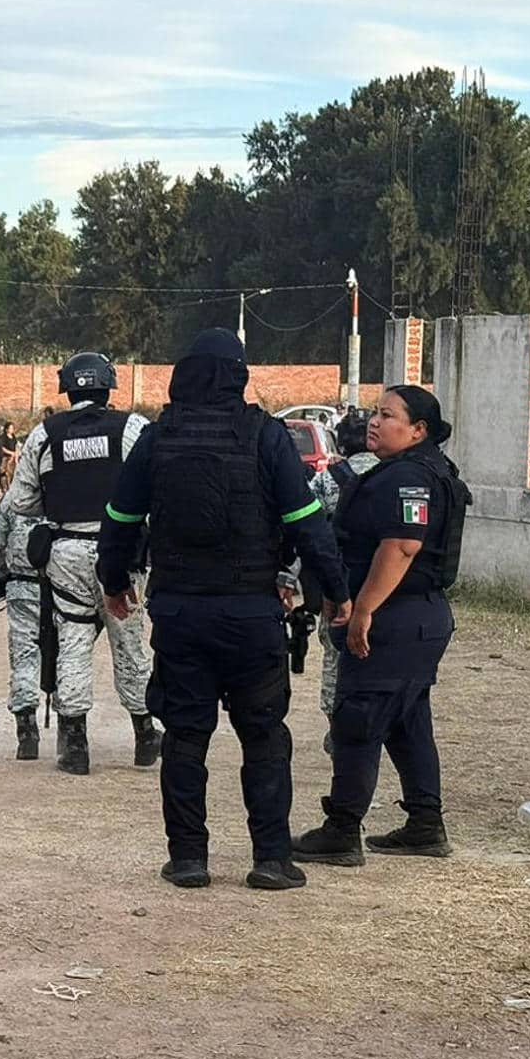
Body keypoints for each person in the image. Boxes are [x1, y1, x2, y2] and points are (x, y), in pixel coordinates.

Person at [97, 328, 351, 892]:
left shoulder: (159, 438)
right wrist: (335, 588)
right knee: (263, 734)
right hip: (251, 613)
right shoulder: (266, 436)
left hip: (181, 614)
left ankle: (188, 858)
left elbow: (118, 519)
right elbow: (306, 522)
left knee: (186, 736)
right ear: (239, 375)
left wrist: (114, 582)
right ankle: (271, 859)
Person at [292, 385, 467, 869]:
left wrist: (363, 609)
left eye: (387, 415)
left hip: (396, 616)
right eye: (374, 413)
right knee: (408, 723)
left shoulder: (408, 477)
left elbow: (402, 547)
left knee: (358, 720)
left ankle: (342, 830)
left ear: (418, 430)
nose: (374, 421)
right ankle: (425, 824)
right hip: (417, 617)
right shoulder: (417, 470)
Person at [0, 352, 159, 774]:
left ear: (67, 388)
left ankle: (74, 743)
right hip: (121, 551)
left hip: (66, 551)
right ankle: (145, 735)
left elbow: (22, 501)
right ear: (108, 386)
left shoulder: (43, 434)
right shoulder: (133, 428)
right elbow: (155, 485)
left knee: (70, 640)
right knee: (128, 640)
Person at [305, 410, 379, 757]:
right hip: (386, 584)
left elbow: (309, 530)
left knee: (335, 654)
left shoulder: (329, 479)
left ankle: (337, 728)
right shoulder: (394, 474)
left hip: (341, 583)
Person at [0, 485, 46, 758]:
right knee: (69, 653)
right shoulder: (74, 489)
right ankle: (74, 732)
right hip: (65, 588)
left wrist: (1, 578)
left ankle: (26, 728)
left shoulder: (14, 497)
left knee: (24, 655)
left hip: (21, 586)